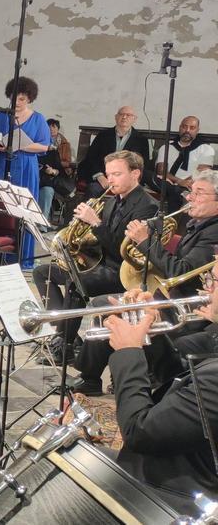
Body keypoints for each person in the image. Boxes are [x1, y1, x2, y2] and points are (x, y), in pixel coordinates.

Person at [72, 169, 218, 395]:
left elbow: (182, 271)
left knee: (107, 306)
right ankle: (91, 377)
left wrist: (146, 242)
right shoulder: (199, 224)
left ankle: (100, 377)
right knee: (105, 303)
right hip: (170, 296)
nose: (189, 198)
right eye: (191, 191)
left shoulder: (214, 232)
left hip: (188, 308)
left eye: (199, 194)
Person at [32, 150, 158, 364]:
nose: (109, 180)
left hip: (123, 271)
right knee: (43, 272)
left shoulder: (147, 206)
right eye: (108, 174)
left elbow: (122, 247)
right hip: (100, 263)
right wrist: (78, 233)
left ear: (135, 174)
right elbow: (97, 240)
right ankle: (62, 333)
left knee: (76, 281)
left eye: (116, 174)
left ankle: (65, 345)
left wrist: (95, 223)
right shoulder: (111, 201)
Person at [104, 288, 218, 512]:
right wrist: (151, 335)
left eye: (214, 280)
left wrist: (128, 351)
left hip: (181, 495)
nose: (206, 288)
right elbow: (184, 387)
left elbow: (139, 432)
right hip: (183, 466)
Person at [0, 76, 51, 269]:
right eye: (15, 98)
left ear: (29, 98)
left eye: (22, 99)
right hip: (0, 163)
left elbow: (44, 146)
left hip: (26, 166)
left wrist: (19, 145)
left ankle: (22, 258)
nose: (18, 102)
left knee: (22, 210)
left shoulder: (38, 118)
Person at [79, 106, 153, 197]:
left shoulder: (141, 140)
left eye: (128, 115)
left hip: (127, 181)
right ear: (116, 117)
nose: (124, 117)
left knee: (136, 194)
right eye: (121, 114)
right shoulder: (103, 136)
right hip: (104, 178)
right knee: (93, 189)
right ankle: (89, 212)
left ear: (134, 119)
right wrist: (100, 176)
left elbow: (143, 165)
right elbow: (91, 158)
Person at [155, 115, 214, 211]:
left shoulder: (206, 149)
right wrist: (179, 181)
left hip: (189, 185)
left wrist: (183, 183)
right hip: (164, 183)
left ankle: (171, 222)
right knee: (144, 174)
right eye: (184, 126)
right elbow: (161, 171)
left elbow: (202, 172)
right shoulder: (166, 147)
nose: (187, 130)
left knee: (176, 190)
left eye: (192, 128)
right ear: (180, 127)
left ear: (197, 130)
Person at [38, 119, 72, 226]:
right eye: (49, 127)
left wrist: (54, 171)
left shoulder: (57, 148)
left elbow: (61, 167)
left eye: (54, 127)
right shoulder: (35, 145)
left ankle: (42, 224)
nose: (51, 130)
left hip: (48, 180)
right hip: (33, 179)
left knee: (47, 190)